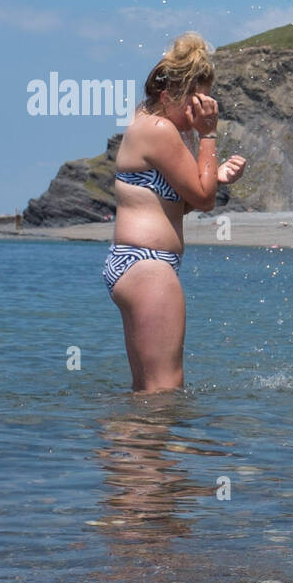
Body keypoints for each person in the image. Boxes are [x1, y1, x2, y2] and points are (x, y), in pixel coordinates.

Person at [104, 33, 247, 391]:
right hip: (149, 267)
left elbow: (176, 204)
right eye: (194, 103)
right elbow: (203, 199)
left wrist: (217, 177)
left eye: (206, 102)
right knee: (165, 392)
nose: (200, 112)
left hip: (134, 263)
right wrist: (209, 136)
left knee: (146, 390)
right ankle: (152, 446)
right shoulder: (160, 130)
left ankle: (123, 447)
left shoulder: (148, 121)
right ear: (168, 96)